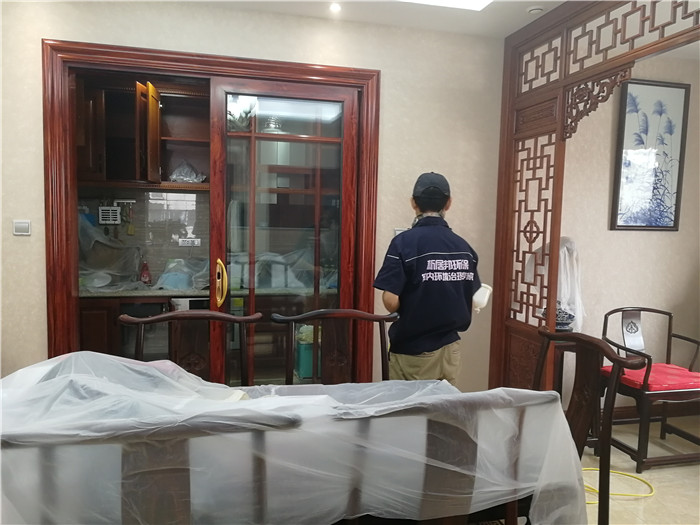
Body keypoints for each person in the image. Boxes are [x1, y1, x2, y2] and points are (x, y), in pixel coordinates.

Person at [373, 172, 481, 386]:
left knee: (410, 407)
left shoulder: (403, 243)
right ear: (448, 204)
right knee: (444, 405)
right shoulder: (464, 247)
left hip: (414, 353)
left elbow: (390, 301)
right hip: (451, 350)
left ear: (414, 203)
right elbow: (470, 296)